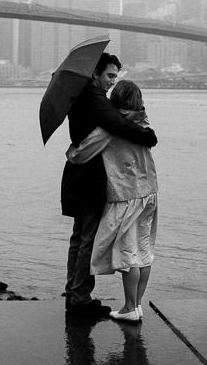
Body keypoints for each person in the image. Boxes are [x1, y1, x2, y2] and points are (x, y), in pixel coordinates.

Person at [62, 54, 157, 318]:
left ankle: (74, 292)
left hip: (79, 177)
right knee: (88, 240)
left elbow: (94, 138)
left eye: (115, 77)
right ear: (95, 73)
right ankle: (80, 298)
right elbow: (115, 126)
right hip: (93, 180)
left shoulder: (78, 96)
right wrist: (149, 136)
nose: (112, 83)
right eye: (109, 76)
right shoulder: (94, 99)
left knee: (79, 237)